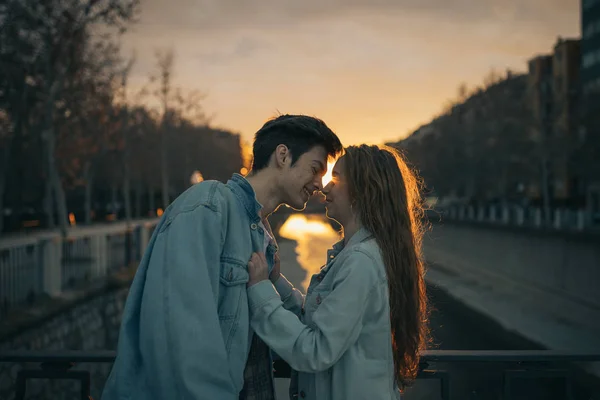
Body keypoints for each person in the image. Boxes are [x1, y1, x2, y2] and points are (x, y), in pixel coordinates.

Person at [101, 115, 343, 400]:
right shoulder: (209, 204)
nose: (319, 184)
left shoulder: (260, 235)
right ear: (283, 155)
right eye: (315, 169)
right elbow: (183, 341)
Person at [246, 144, 430, 400]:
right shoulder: (356, 254)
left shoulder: (360, 262)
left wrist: (260, 292)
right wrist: (276, 281)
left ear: (364, 191)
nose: (325, 187)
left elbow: (315, 350)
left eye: (337, 178)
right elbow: (319, 322)